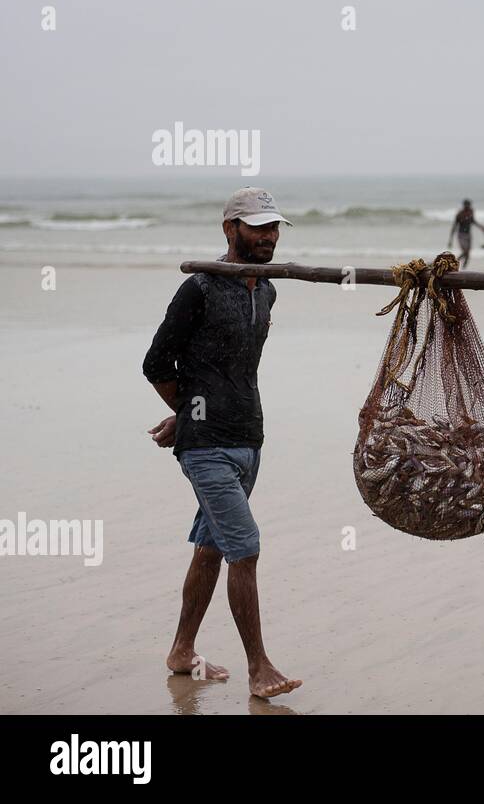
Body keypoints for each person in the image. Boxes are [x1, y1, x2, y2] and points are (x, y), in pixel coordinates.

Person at [143, 187, 303, 699]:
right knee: (245, 549)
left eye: (274, 227)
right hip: (208, 446)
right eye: (258, 227)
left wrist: (188, 412)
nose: (268, 236)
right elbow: (156, 363)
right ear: (230, 229)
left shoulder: (269, 290)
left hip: (249, 438)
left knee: (212, 547)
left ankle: (182, 651)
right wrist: (188, 417)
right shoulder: (201, 288)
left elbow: (233, 367)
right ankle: (260, 668)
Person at [447, 199, 484, 268]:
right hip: (461, 235)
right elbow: (454, 227)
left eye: (469, 205)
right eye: (467, 205)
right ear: (464, 205)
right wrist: (450, 240)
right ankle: (454, 262)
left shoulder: (471, 211)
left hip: (468, 235)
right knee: (465, 252)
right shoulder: (459, 214)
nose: (468, 207)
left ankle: (464, 269)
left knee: (468, 254)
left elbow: (473, 221)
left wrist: (481, 227)